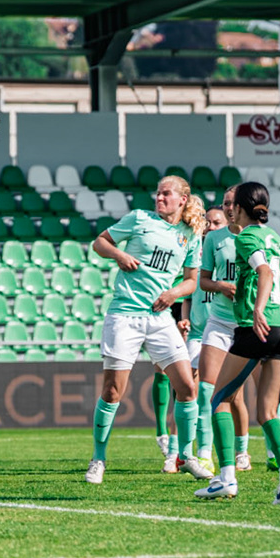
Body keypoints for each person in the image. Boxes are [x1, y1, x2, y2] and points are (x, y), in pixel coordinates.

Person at [193, 180, 280, 503]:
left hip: (260, 325)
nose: (229, 210)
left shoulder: (246, 237)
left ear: (242, 209)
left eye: (233, 205)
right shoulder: (279, 239)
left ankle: (227, 478)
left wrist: (260, 310)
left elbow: (265, 273)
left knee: (219, 399)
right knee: (269, 411)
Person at [85, 175, 203, 485]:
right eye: (158, 193)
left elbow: (192, 279)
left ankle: (185, 455)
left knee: (188, 388)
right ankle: (98, 459)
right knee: (112, 392)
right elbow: (100, 242)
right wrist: (120, 255)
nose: (159, 198)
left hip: (160, 317)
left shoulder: (189, 233)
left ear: (182, 200)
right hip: (125, 315)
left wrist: (174, 294)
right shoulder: (139, 218)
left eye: (166, 194)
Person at [195, 193, 253, 477]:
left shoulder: (260, 237)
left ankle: (242, 451)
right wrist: (221, 286)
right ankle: (205, 455)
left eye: (234, 204)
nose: (230, 208)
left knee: (235, 395)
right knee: (206, 389)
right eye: (226, 203)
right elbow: (202, 281)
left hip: (246, 322)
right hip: (218, 321)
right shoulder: (213, 240)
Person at [155, 192, 210, 475]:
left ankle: (199, 452)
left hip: (201, 318)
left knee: (199, 386)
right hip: (172, 305)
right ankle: (168, 442)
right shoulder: (177, 237)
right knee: (174, 378)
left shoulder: (213, 244)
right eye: (197, 213)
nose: (201, 220)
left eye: (204, 215)